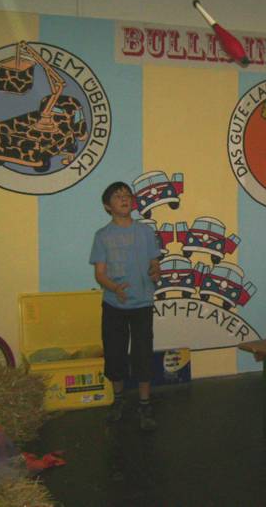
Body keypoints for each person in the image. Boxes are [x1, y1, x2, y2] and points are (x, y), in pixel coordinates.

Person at [90, 181, 161, 431]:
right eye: (117, 196)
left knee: (143, 354)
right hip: (114, 305)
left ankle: (145, 404)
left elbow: (154, 263)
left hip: (142, 304)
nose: (124, 198)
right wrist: (114, 288)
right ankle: (118, 400)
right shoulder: (102, 236)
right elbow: (100, 274)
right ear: (107, 206)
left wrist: (155, 271)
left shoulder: (145, 231)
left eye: (127, 195)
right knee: (115, 353)